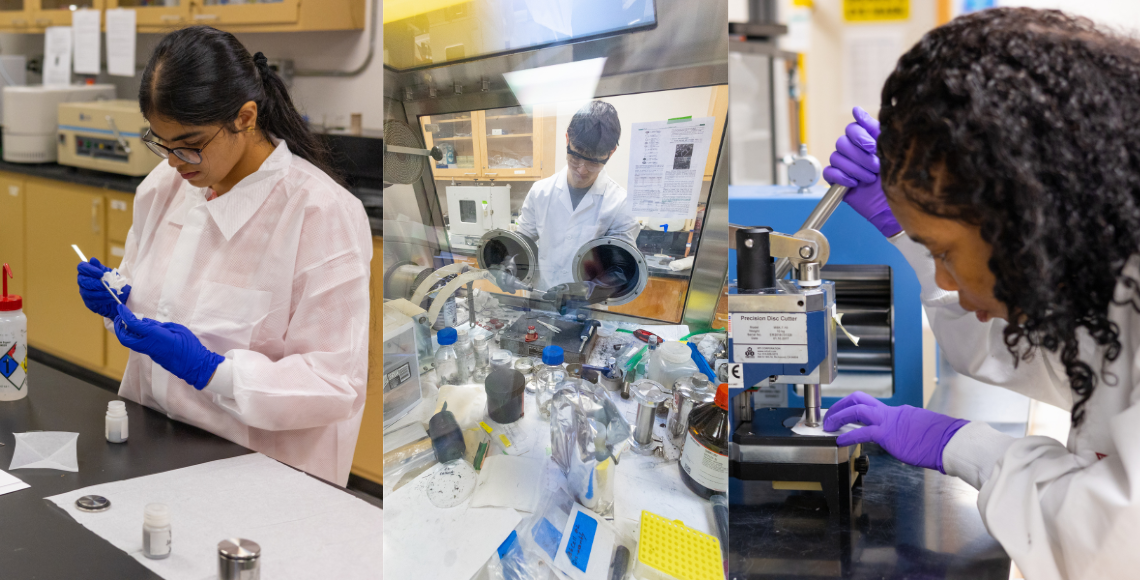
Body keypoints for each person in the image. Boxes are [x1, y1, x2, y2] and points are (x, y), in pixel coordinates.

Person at [821, 8, 1140, 578]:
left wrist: (967, 446)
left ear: (1031, 212)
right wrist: (908, 230)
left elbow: (1113, 541)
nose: (944, 280)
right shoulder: (1105, 258)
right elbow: (1059, 358)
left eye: (945, 252)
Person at [74, 26, 372, 486]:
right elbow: (155, 309)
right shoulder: (163, 187)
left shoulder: (321, 214)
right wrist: (117, 302)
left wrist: (213, 371)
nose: (174, 161)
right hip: (155, 443)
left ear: (245, 117)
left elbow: (334, 385)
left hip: (259, 473)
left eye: (190, 144)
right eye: (160, 141)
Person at [516, 100, 639, 291]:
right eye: (575, 157)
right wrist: (507, 266)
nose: (582, 169)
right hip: (542, 299)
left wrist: (585, 291)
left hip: (587, 310)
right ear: (567, 140)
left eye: (594, 162)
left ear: (611, 152)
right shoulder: (540, 192)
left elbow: (621, 268)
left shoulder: (620, 204)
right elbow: (522, 242)